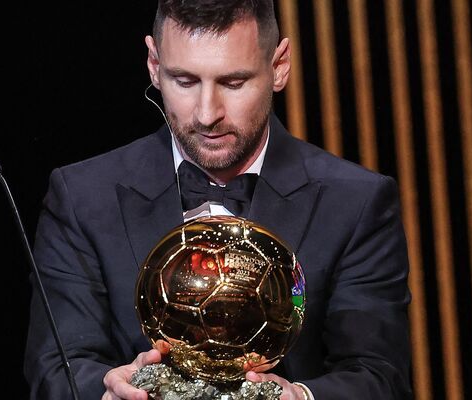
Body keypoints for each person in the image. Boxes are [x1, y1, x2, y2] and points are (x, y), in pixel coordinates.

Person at [24, 1, 412, 399]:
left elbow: (379, 376)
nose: (208, 114)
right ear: (154, 65)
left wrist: (301, 397)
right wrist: (107, 392)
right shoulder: (82, 196)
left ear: (279, 67)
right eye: (185, 81)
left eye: (233, 82)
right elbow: (57, 366)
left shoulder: (357, 201)